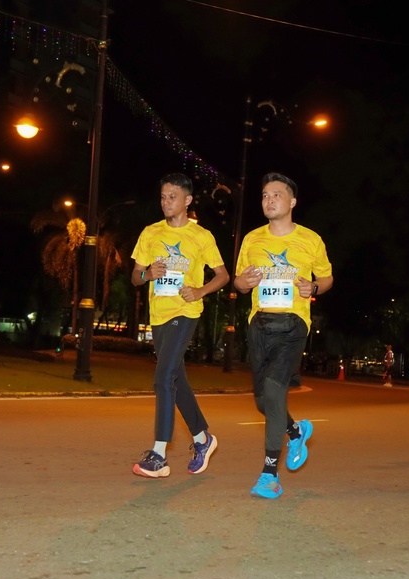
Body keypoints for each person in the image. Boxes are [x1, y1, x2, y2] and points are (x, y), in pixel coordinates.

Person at [235, 172, 333, 499]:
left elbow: (327, 278)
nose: (269, 199)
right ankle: (295, 430)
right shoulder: (252, 240)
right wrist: (242, 283)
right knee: (263, 401)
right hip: (259, 323)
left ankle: (269, 475)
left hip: (293, 325)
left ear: (292, 202)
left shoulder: (310, 239)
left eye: (276, 194)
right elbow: (238, 281)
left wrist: (314, 287)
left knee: (275, 391)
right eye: (265, 195)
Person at [130, 172, 229, 478]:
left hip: (186, 312)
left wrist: (199, 291)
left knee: (163, 378)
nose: (166, 202)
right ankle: (203, 439)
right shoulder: (150, 233)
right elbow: (135, 277)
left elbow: (223, 275)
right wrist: (148, 274)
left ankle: (159, 455)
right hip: (159, 315)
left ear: (187, 201)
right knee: (176, 379)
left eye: (172, 197)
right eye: (163, 197)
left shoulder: (201, 236)